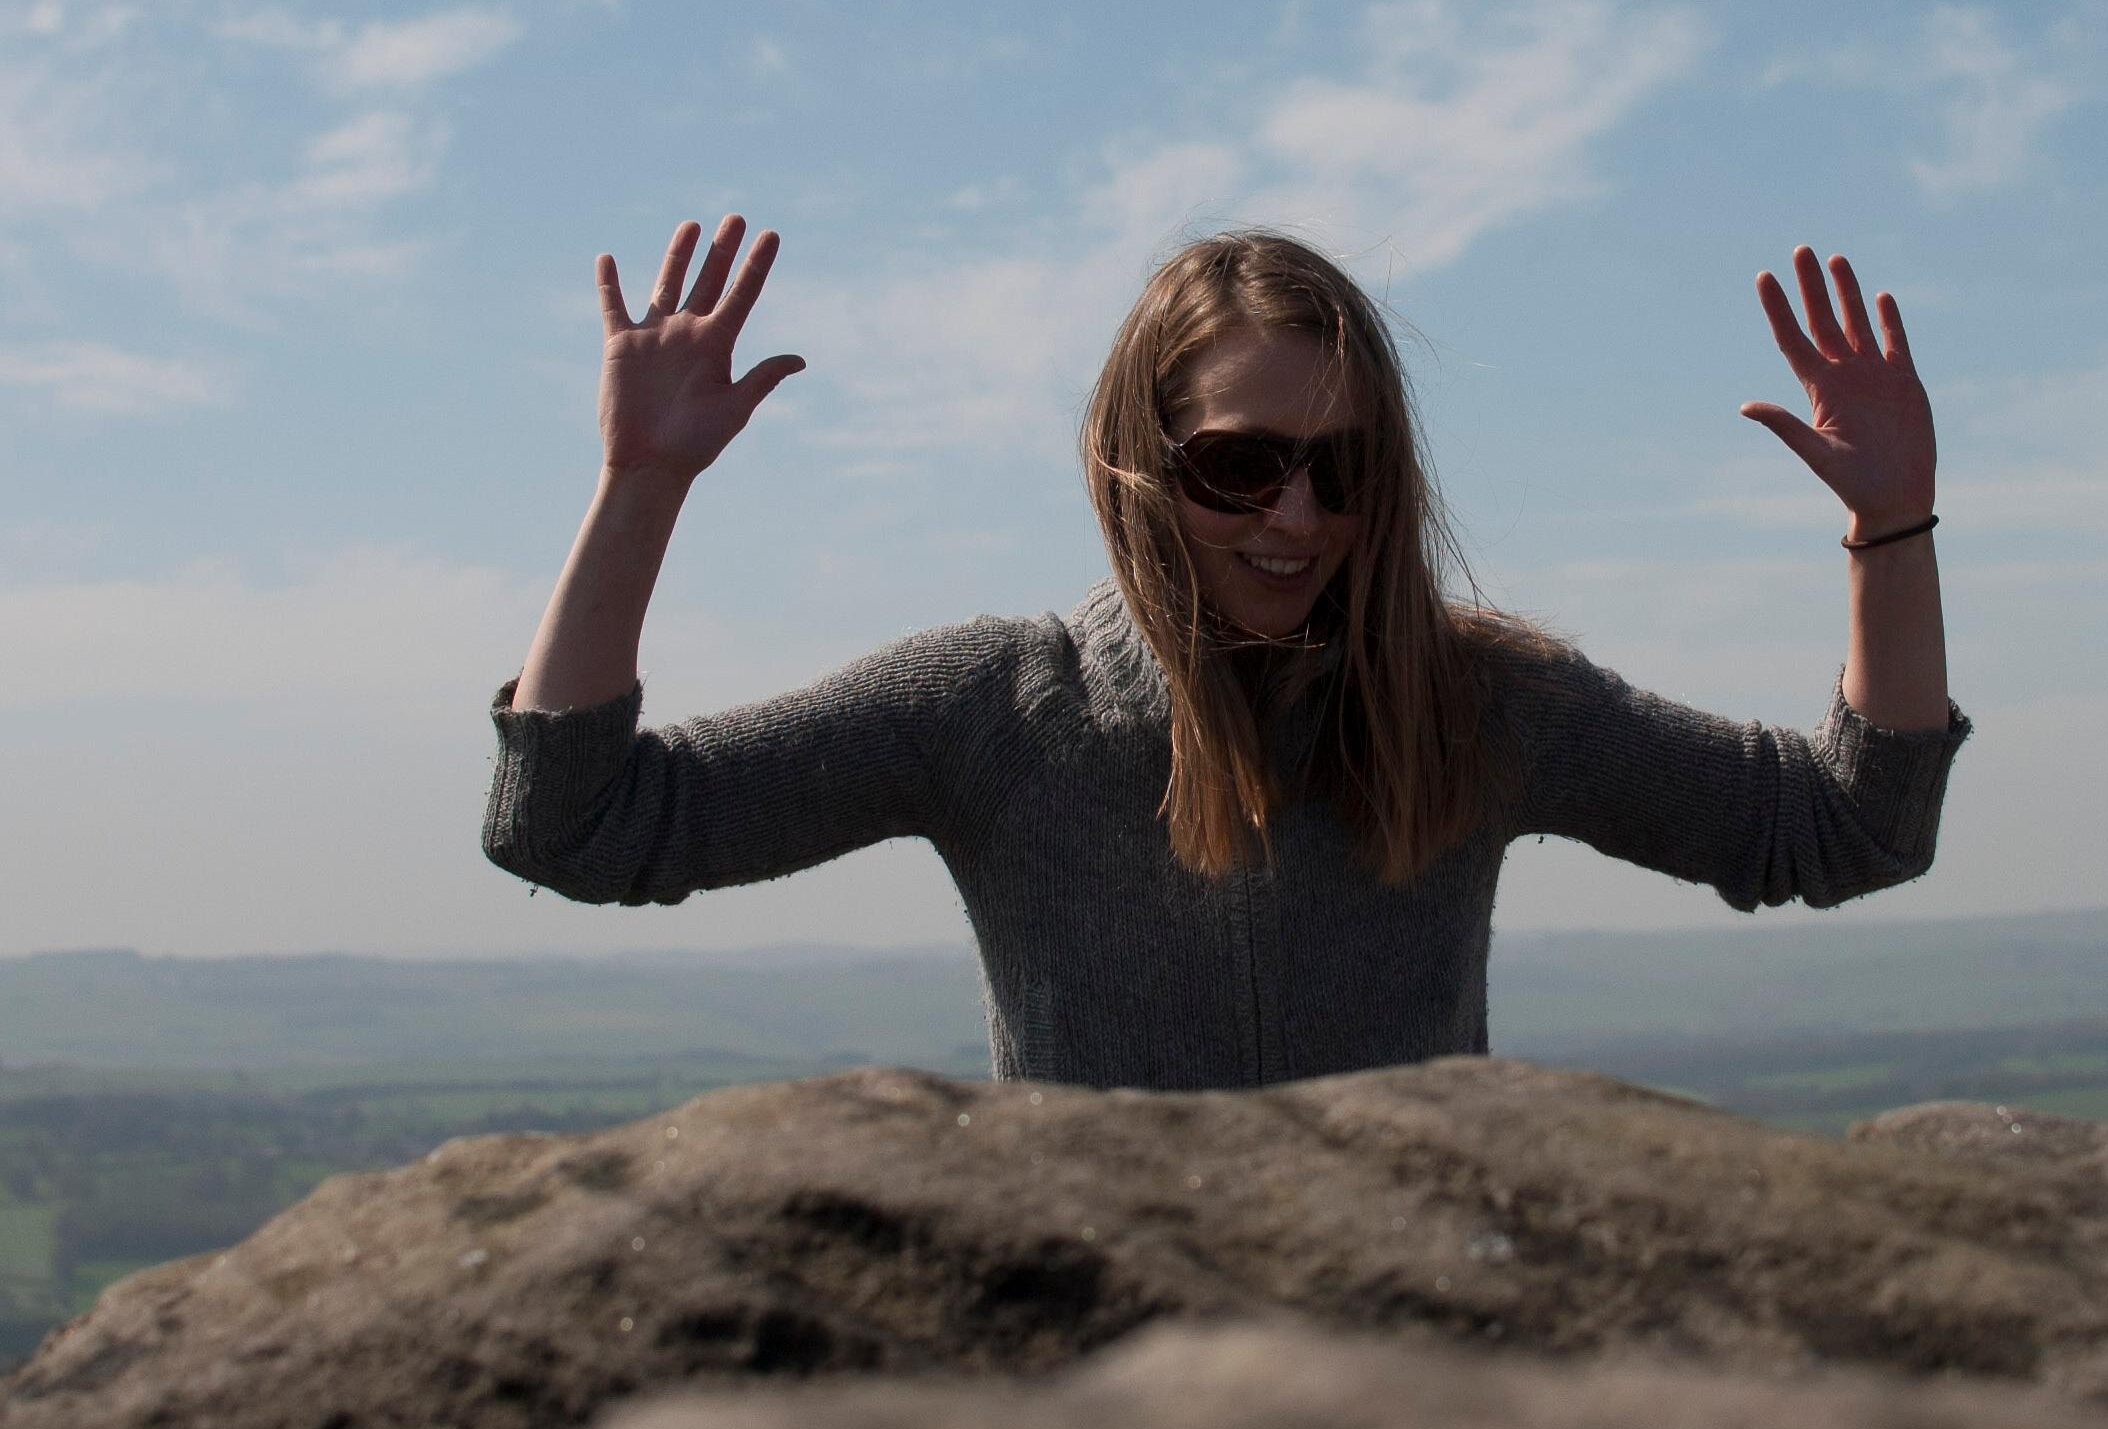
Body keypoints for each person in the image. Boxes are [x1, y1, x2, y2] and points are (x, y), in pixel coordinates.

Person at [484, 219, 1968, 1088]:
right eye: (1238, 463)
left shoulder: (1472, 701)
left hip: (1407, 1424)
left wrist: (1891, 528)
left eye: (1344, 467)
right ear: (1137, 459)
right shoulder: (1002, 710)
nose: (1297, 517)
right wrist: (639, 489)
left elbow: (1846, 830)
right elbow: (577, 825)